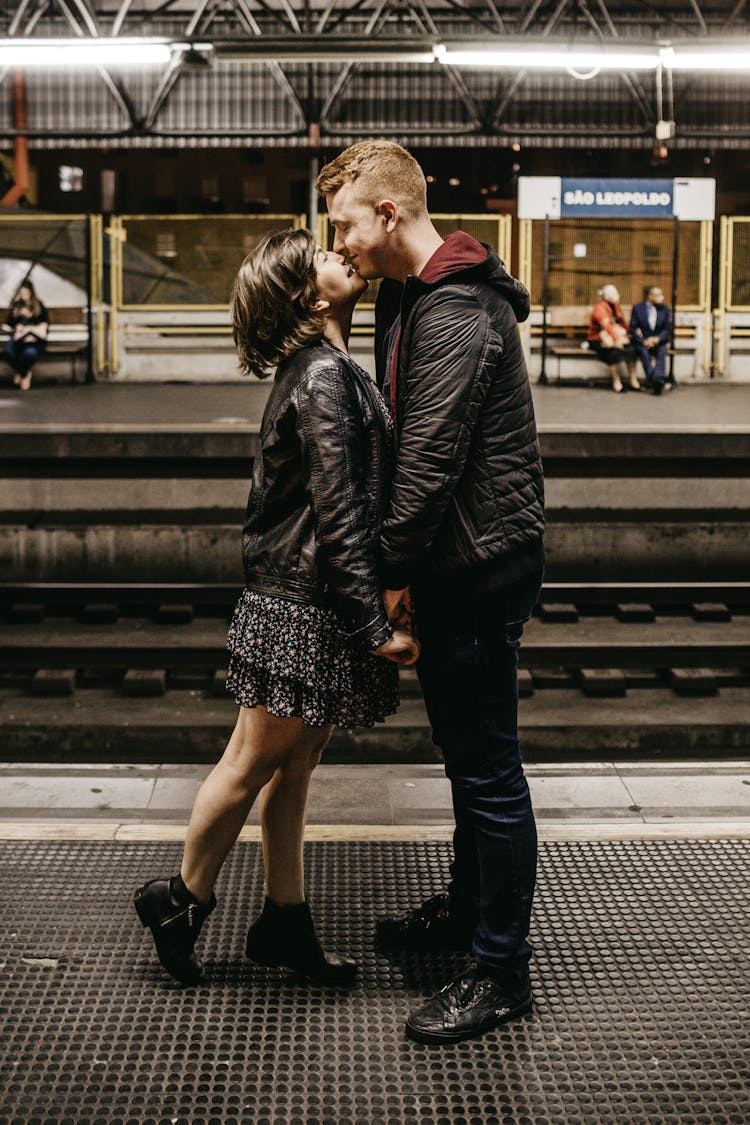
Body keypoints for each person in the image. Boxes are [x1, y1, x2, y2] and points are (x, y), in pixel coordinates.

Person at [134, 228, 419, 987]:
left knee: (294, 763)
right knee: (254, 759)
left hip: (304, 598)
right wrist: (374, 624)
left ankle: (284, 921)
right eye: (326, 255)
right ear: (309, 296)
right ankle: (180, 898)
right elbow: (339, 513)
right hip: (301, 603)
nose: (342, 254)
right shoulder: (323, 376)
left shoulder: (326, 368)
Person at [318, 141, 545, 1044]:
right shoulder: (414, 297)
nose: (338, 242)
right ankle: (466, 913)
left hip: (478, 567)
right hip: (459, 559)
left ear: (387, 215)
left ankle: (501, 970)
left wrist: (387, 582)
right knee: (465, 755)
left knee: (488, 766)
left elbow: (422, 475)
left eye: (343, 223)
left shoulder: (456, 315)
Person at [587, 283, 640, 393]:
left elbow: (623, 323)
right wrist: (617, 339)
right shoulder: (600, 308)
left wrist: (632, 332)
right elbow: (607, 326)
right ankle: (617, 382)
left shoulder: (615, 307)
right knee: (614, 352)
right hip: (598, 339)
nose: (617, 296)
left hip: (615, 338)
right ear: (607, 296)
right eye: (614, 294)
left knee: (632, 350)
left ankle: (633, 381)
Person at [2, 278, 48, 391]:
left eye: (26, 293)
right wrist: (15, 315)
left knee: (29, 354)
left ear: (31, 293)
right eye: (22, 292)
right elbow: (8, 324)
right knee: (8, 351)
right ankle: (24, 373)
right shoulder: (17, 305)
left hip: (34, 339)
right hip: (19, 338)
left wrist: (30, 316)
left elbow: (44, 324)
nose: (24, 295)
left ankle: (21, 374)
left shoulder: (38, 305)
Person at [630, 285, 673, 394]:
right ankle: (656, 380)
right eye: (659, 295)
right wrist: (643, 341)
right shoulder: (638, 308)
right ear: (650, 296)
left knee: (661, 351)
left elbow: (667, 328)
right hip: (643, 342)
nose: (662, 298)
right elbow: (633, 328)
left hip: (658, 342)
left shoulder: (665, 309)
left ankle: (657, 378)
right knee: (643, 352)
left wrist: (657, 339)